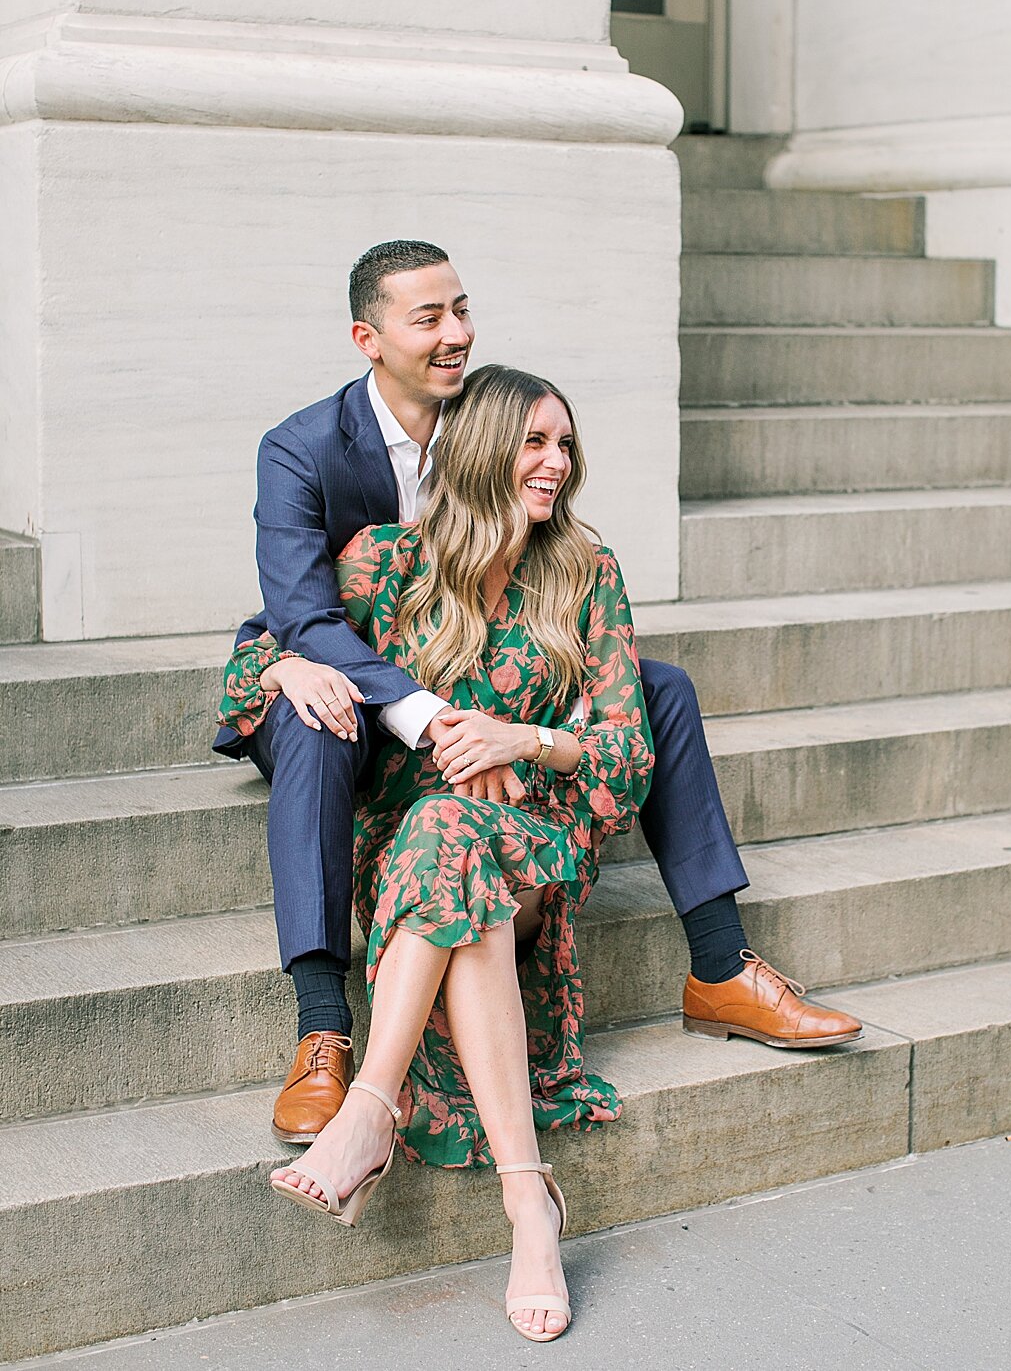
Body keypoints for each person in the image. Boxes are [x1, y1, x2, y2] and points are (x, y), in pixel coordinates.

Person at [212, 239, 860, 1146]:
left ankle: (719, 964)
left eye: (461, 311)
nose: (457, 334)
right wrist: (402, 708)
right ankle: (322, 1026)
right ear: (369, 337)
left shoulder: (495, 434)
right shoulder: (306, 451)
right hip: (344, 676)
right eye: (429, 317)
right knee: (321, 713)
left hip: (479, 689)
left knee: (656, 688)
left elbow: (550, 589)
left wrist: (520, 740)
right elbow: (302, 617)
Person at [219, 365, 654, 1341]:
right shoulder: (388, 562)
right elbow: (250, 657)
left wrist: (525, 740)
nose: (555, 463)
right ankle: (528, 1206)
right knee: (443, 831)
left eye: (565, 444)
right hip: (417, 854)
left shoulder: (585, 569)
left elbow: (627, 757)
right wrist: (293, 662)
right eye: (533, 441)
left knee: (454, 831)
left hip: (542, 835)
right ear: (479, 450)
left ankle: (368, 1109)